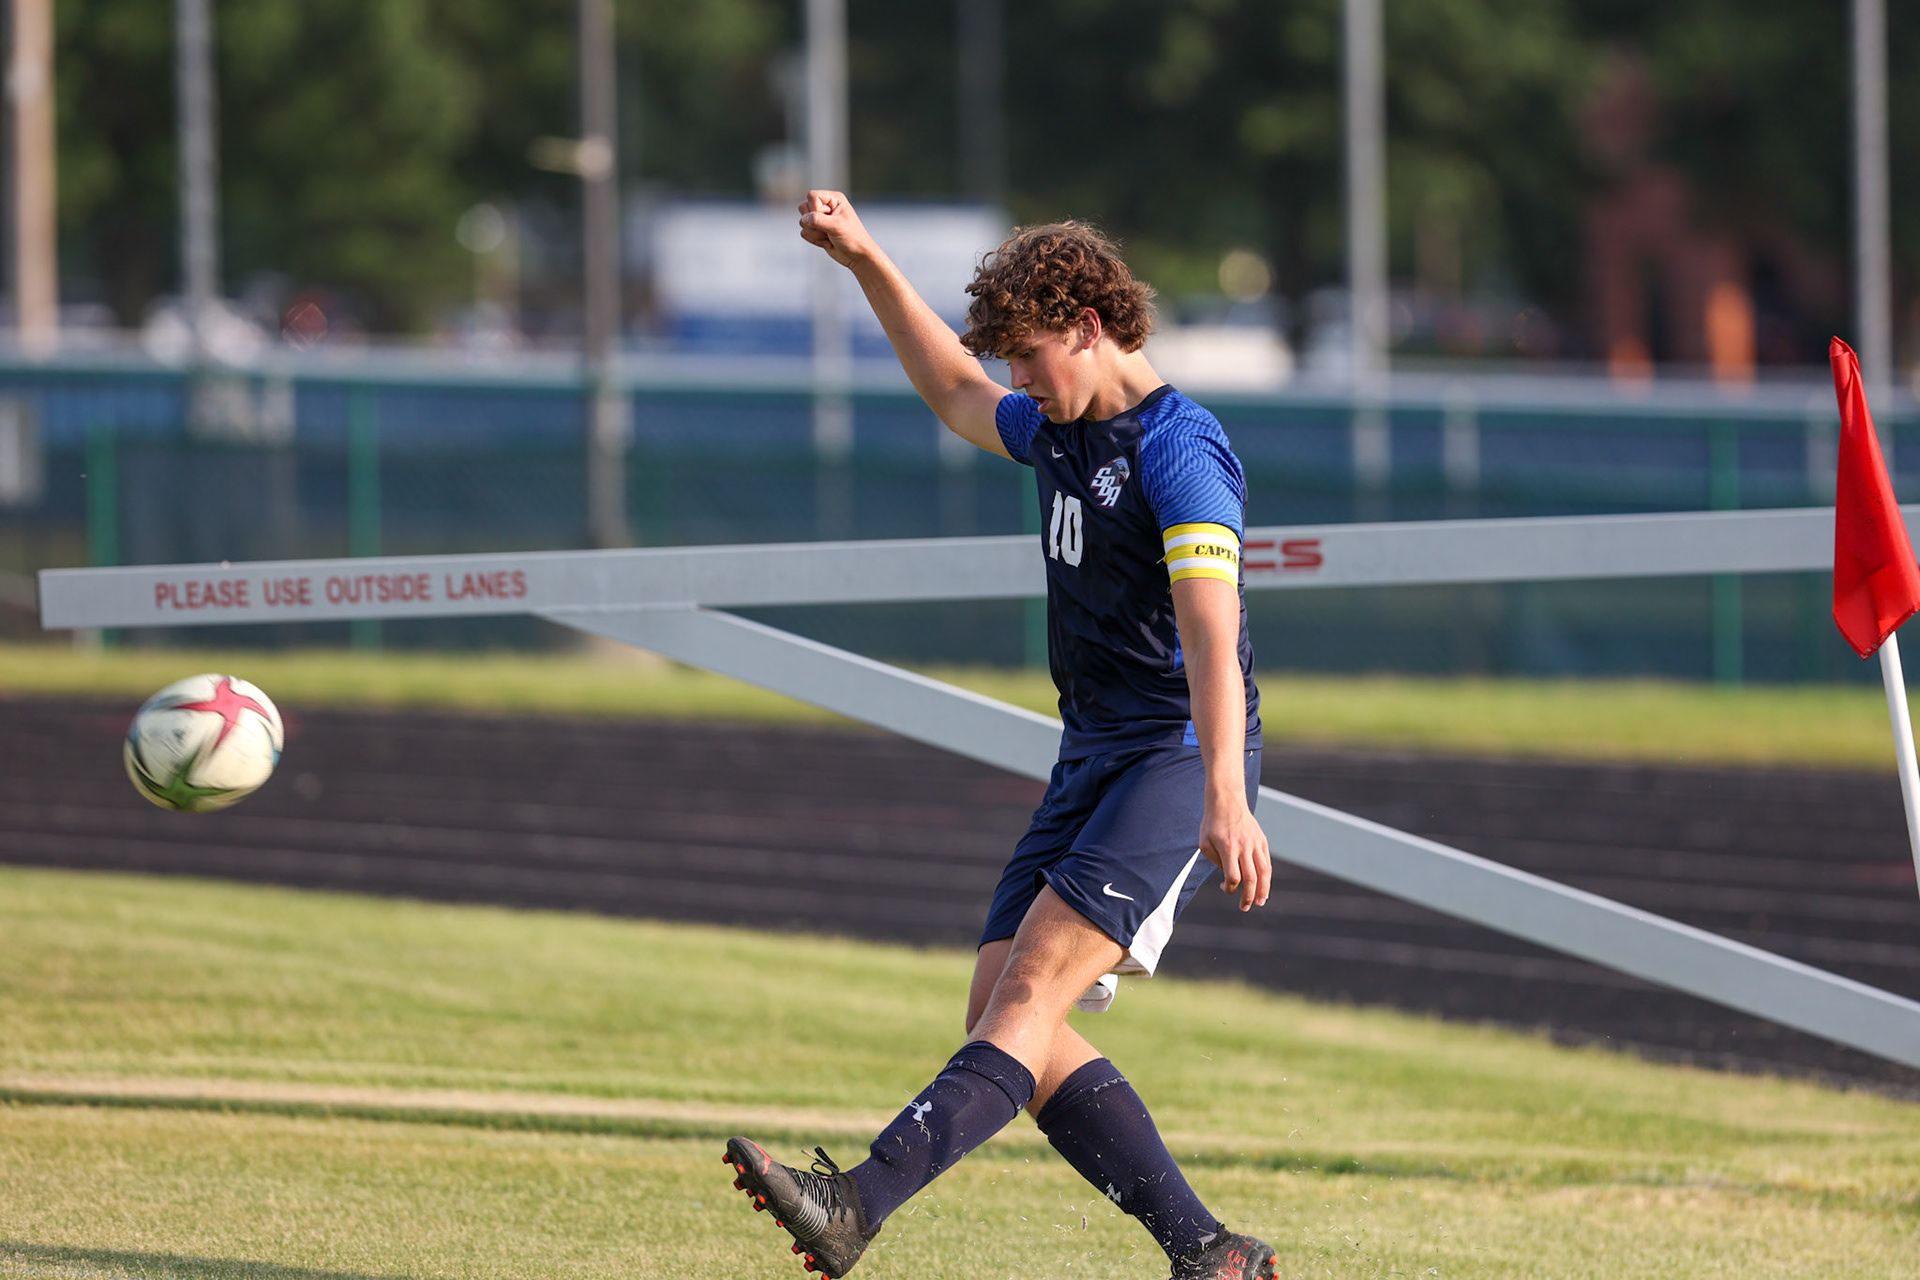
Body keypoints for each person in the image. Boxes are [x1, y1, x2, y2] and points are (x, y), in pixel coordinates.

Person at [722, 191, 1276, 1280]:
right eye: (1013, 363)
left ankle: (856, 1201)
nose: (1020, 382)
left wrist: (1223, 792)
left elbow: (1215, 638)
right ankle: (1210, 1252)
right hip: (1093, 754)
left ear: (1089, 325)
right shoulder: (1055, 427)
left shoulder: (1180, 448)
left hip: (1171, 753)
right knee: (1003, 1008)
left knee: (1026, 996)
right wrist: (866, 259)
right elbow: (952, 388)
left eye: (1031, 356)